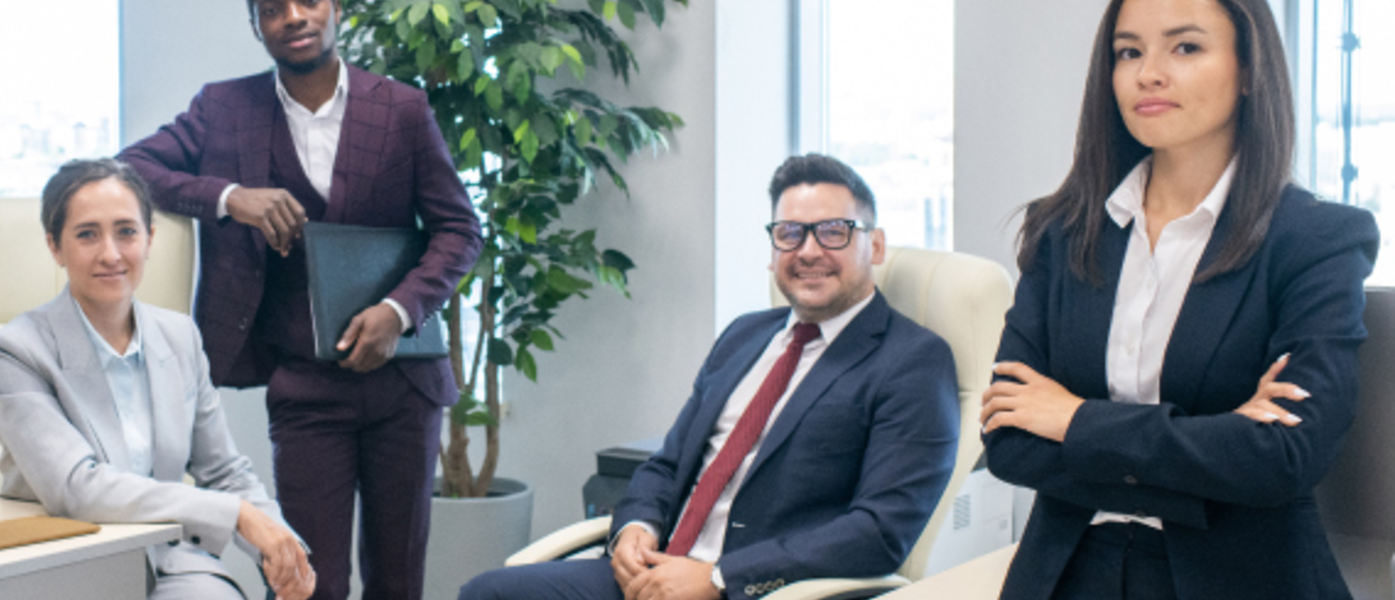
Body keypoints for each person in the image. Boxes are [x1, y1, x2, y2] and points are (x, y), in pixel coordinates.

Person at [979, 0, 1377, 597]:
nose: (1149, 73)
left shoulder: (1315, 239)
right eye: (1129, 51)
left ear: (1249, 70)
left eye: (1185, 47)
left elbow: (1287, 456)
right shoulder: (1062, 231)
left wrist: (1074, 420)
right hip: (1066, 572)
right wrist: (1217, 445)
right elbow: (1009, 442)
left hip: (1242, 578)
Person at [460, 154, 959, 600]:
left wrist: (721, 577)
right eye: (790, 233)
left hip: (761, 590)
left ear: (874, 245)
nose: (808, 251)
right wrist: (634, 527)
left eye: (833, 231)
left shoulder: (912, 361)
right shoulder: (745, 336)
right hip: (656, 575)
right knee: (488, 593)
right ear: (772, 250)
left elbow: (879, 532)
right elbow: (667, 464)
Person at [118, 0, 481, 598]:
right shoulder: (223, 107)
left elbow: (460, 230)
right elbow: (132, 168)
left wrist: (399, 311)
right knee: (304, 582)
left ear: (337, 9)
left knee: (398, 582)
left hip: (404, 386)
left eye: (309, 1)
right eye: (271, 8)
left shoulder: (402, 108)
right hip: (304, 387)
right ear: (256, 24)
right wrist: (232, 196)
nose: (293, 16)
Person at [0, 159, 317, 600]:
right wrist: (235, 514)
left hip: (171, 562)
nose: (111, 253)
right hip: (70, 564)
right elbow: (78, 489)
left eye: (126, 231)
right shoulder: (16, 350)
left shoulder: (178, 336)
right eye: (87, 234)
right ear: (55, 247)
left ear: (149, 239)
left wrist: (281, 548)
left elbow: (224, 471)